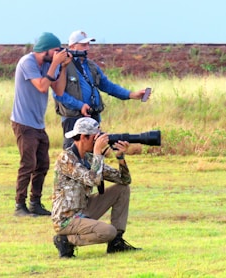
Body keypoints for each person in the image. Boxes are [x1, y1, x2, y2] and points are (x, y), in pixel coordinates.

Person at [52, 117, 142, 258]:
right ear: (83, 137)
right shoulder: (66, 159)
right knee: (108, 232)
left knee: (122, 189)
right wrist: (98, 153)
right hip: (66, 219)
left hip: (84, 208)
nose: (97, 141)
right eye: (95, 138)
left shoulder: (88, 158)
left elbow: (125, 180)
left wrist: (120, 157)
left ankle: (116, 243)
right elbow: (92, 180)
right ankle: (66, 240)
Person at [53, 30, 150, 149]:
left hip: (92, 118)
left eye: (88, 44)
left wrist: (131, 94)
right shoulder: (63, 65)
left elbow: (107, 86)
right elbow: (58, 94)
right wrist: (80, 105)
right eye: (83, 45)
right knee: (73, 155)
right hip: (73, 119)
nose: (87, 48)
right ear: (72, 46)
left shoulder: (91, 66)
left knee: (94, 153)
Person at [11, 32, 72, 217]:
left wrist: (62, 67)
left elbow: (59, 90)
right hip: (23, 122)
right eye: (55, 50)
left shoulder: (48, 64)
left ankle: (35, 203)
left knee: (42, 164)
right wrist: (55, 64)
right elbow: (42, 86)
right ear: (45, 49)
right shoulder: (27, 62)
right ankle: (19, 205)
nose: (58, 53)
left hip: (38, 124)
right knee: (28, 163)